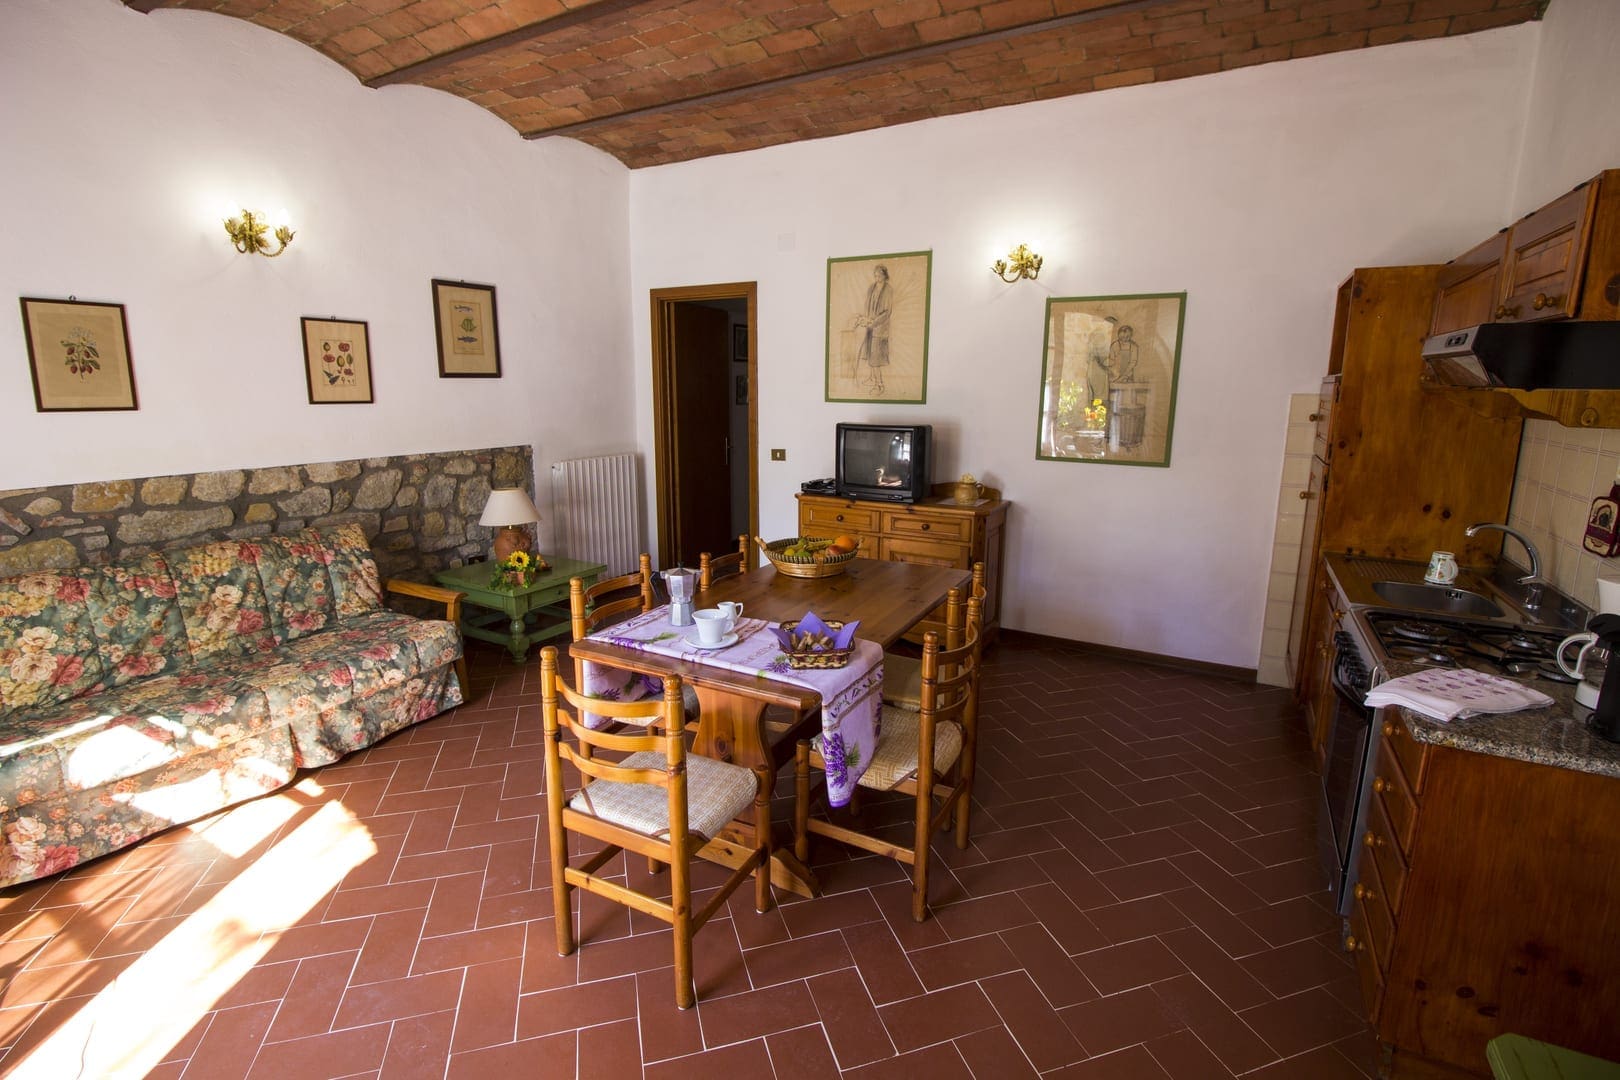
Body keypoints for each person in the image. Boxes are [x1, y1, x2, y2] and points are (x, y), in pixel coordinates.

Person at [854, 265, 893, 395]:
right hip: (870, 326)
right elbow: (867, 306)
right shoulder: (872, 287)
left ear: (885, 275)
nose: (877, 278)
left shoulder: (888, 290)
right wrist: (865, 318)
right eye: (875, 275)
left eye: (879, 275)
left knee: (876, 359)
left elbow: (887, 313)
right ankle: (872, 378)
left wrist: (873, 321)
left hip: (880, 328)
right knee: (870, 354)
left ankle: (879, 385)